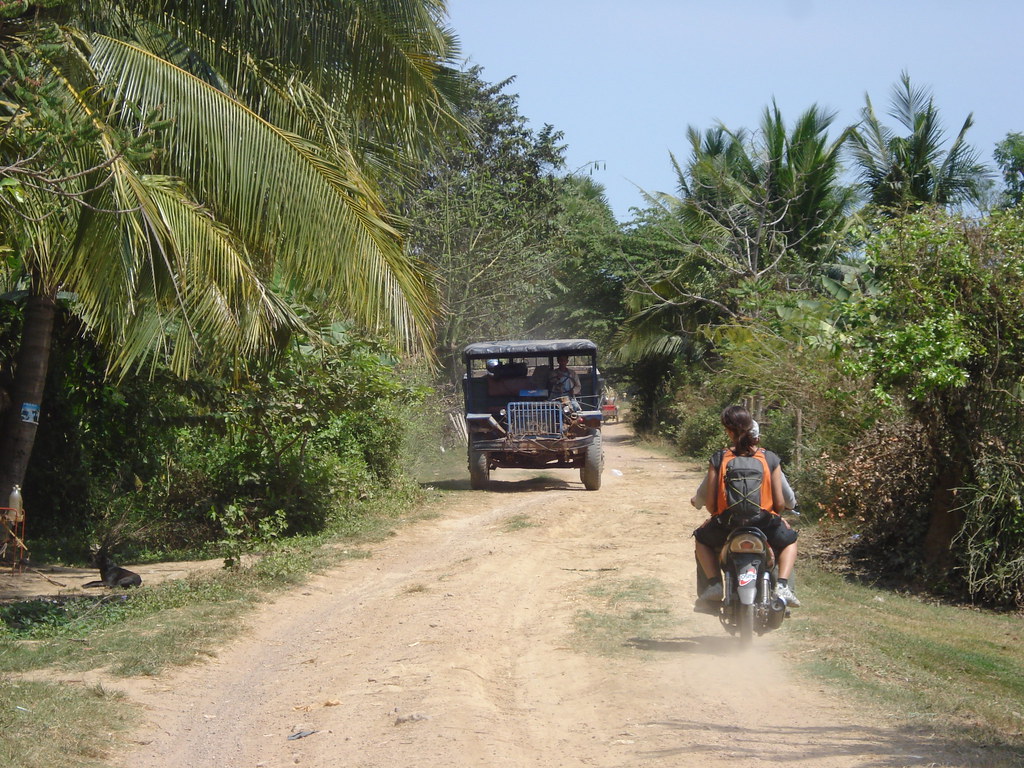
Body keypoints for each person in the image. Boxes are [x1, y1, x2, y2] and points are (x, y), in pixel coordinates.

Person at [691, 405, 800, 607]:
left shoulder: (720, 458)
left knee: (701, 539)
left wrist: (716, 515)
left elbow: (711, 503)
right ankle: (783, 586)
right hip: (764, 523)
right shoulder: (769, 458)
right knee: (790, 541)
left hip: (728, 524)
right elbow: (780, 502)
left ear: (729, 431)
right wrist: (776, 516)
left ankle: (715, 584)